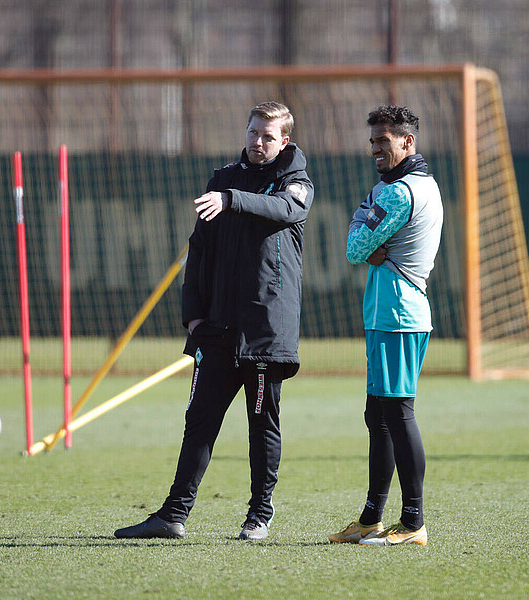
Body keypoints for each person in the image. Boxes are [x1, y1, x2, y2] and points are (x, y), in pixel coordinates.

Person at [115, 101, 314, 541]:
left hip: (264, 333)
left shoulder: (296, 183)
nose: (257, 142)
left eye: (267, 136)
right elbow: (198, 251)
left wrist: (231, 201)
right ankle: (172, 515)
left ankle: (259, 515)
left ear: (284, 141)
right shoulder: (221, 179)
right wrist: (193, 316)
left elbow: (283, 210)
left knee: (261, 424)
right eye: (252, 132)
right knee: (199, 422)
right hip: (217, 330)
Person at [329, 105, 442, 546]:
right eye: (373, 141)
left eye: (384, 141)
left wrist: (364, 228)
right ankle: (371, 517)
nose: (376, 148)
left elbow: (356, 248)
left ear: (407, 141)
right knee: (378, 415)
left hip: (397, 314)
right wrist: (366, 228)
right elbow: (363, 241)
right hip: (393, 313)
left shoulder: (396, 193)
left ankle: (413, 521)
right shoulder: (420, 185)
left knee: (396, 414)